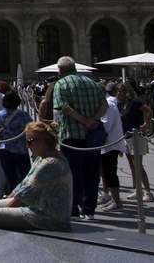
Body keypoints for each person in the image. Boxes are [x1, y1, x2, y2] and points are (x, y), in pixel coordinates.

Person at [52, 56, 108, 219]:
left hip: (72, 136)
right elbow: (104, 105)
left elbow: (64, 107)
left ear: (60, 70)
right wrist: (92, 121)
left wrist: (83, 121)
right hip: (93, 136)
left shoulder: (60, 84)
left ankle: (74, 209)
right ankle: (89, 209)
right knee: (92, 172)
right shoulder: (92, 83)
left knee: (72, 173)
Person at [116, 82, 154, 202]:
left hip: (137, 136)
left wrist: (145, 124)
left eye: (121, 90)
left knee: (138, 165)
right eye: (118, 91)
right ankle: (138, 190)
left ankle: (148, 192)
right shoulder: (120, 105)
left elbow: (149, 111)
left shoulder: (135, 102)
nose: (119, 93)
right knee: (132, 166)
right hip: (126, 137)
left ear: (127, 91)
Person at [0, 91, 32, 196]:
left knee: (10, 176)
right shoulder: (24, 115)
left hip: (5, 149)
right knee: (24, 175)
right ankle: (23, 197)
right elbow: (31, 130)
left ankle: (11, 197)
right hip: (21, 149)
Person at [98, 84, 127, 211]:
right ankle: (112, 199)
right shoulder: (109, 104)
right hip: (110, 144)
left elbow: (106, 126)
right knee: (107, 172)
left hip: (110, 145)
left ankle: (117, 201)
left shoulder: (108, 105)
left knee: (110, 173)